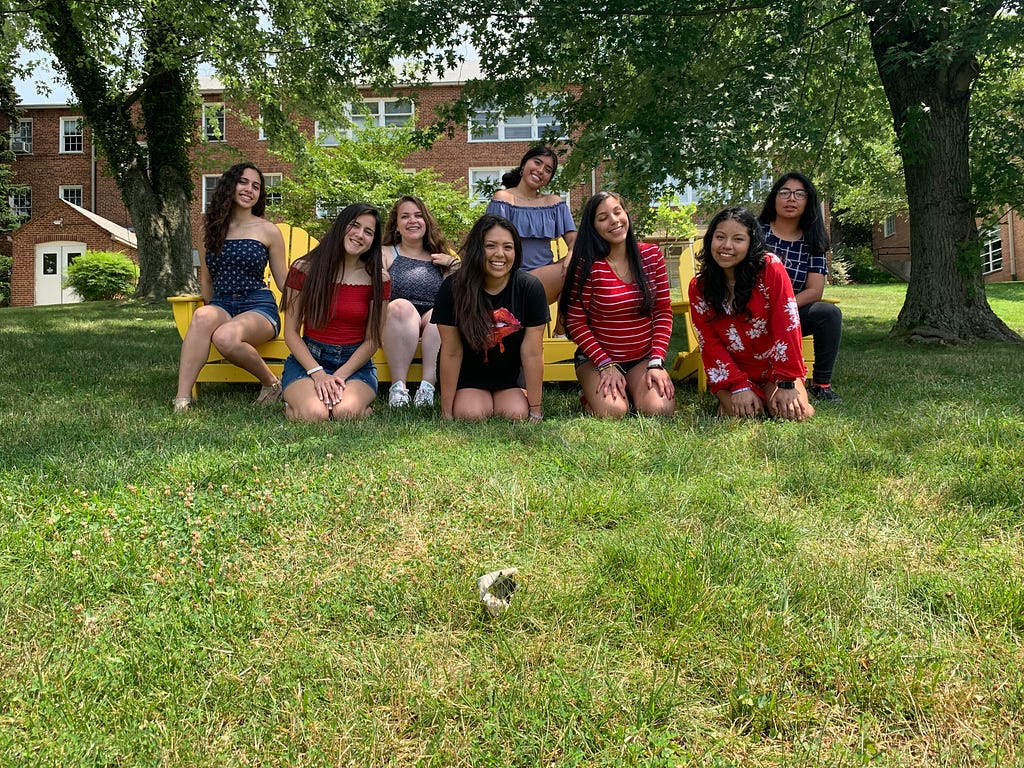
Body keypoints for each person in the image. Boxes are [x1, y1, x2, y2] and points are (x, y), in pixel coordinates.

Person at [174, 163, 287, 413]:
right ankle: (182, 399)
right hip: (222, 303)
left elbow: (284, 282)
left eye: (256, 186)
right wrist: (210, 310)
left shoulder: (268, 230)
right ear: (230, 185)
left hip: (258, 306)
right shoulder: (209, 229)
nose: (250, 189)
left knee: (225, 336)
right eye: (244, 182)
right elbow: (207, 279)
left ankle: (272, 383)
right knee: (202, 316)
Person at [689, 207, 814, 421]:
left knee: (795, 414)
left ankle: (770, 395)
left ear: (751, 243)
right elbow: (709, 342)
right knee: (746, 416)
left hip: (773, 367)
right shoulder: (699, 287)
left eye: (738, 239)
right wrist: (737, 385)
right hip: (733, 371)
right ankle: (734, 399)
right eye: (720, 237)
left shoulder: (770, 268)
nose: (726, 246)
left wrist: (786, 382)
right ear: (710, 240)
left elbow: (787, 323)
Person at [560, 191, 675, 418]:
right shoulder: (588, 265)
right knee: (614, 412)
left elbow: (662, 312)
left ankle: (632, 389)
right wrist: (605, 364)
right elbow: (575, 322)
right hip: (596, 359)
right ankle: (595, 396)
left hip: (642, 358)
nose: (614, 220)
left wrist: (656, 362)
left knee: (660, 410)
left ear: (626, 214)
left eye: (617, 212)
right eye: (603, 218)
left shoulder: (651, 256)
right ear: (593, 228)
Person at [432, 214, 549, 421]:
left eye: (508, 247)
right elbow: (451, 351)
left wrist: (536, 410)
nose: (499, 254)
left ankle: (518, 398)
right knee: (471, 414)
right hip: (468, 378)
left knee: (515, 414)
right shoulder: (453, 288)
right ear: (478, 248)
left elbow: (532, 352)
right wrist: (446, 413)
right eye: (491, 246)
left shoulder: (530, 288)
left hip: (509, 377)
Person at [279, 203, 389, 422]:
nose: (359, 235)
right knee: (315, 414)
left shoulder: (379, 279)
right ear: (341, 226)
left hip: (355, 365)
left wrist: (338, 376)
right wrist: (318, 374)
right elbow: (290, 332)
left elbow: (372, 340)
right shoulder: (303, 269)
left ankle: (355, 407)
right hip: (309, 360)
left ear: (373, 242)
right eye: (354, 226)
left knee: (344, 413)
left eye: (368, 232)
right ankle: (297, 403)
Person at [758, 172, 843, 402]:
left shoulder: (813, 240)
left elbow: (815, 291)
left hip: (791, 313)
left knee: (829, 314)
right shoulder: (755, 233)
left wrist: (783, 308)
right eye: (784, 192)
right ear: (774, 198)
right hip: (753, 311)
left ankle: (821, 384)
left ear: (808, 201)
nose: (791, 199)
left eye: (799, 194)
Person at [380, 196, 459, 408]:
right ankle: (398, 389)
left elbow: (463, 288)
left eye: (418, 215)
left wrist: (453, 264)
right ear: (396, 225)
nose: (412, 221)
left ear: (426, 221)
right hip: (397, 320)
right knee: (401, 306)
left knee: (439, 315)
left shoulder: (440, 255)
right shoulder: (386, 252)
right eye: (405, 216)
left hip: (431, 320)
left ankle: (427, 388)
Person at [485, 146, 577, 305]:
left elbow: (575, 240)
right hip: (511, 277)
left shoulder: (554, 203)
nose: (541, 170)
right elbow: (488, 241)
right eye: (537, 162)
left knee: (584, 258)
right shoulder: (504, 199)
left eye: (548, 170)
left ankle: (560, 330)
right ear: (524, 165)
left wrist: (571, 253)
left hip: (546, 279)